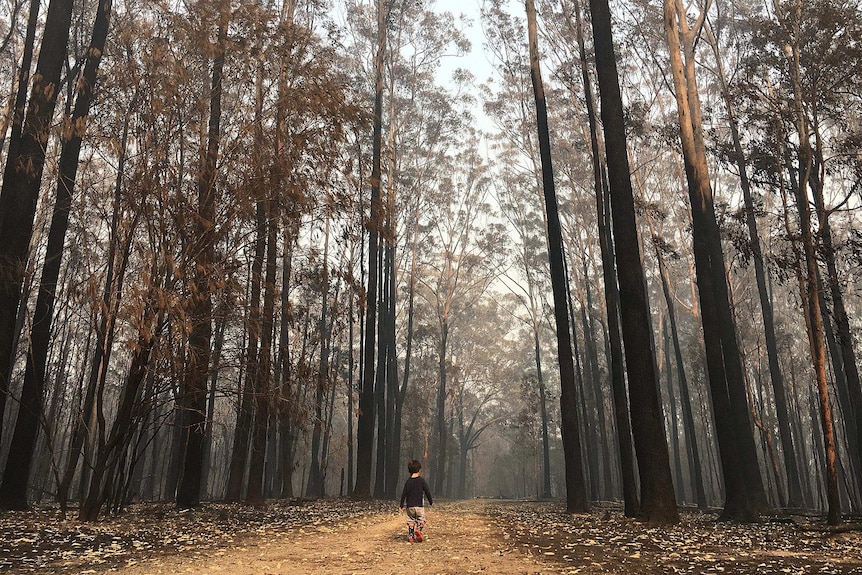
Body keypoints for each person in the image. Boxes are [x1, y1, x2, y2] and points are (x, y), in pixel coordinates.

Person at [399, 459, 433, 542]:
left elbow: (404, 494)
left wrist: (401, 505)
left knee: (411, 521)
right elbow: (427, 491)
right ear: (419, 469)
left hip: (409, 506)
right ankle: (418, 529)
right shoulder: (421, 481)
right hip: (419, 506)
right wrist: (430, 501)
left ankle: (411, 536)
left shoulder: (408, 482)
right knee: (422, 519)